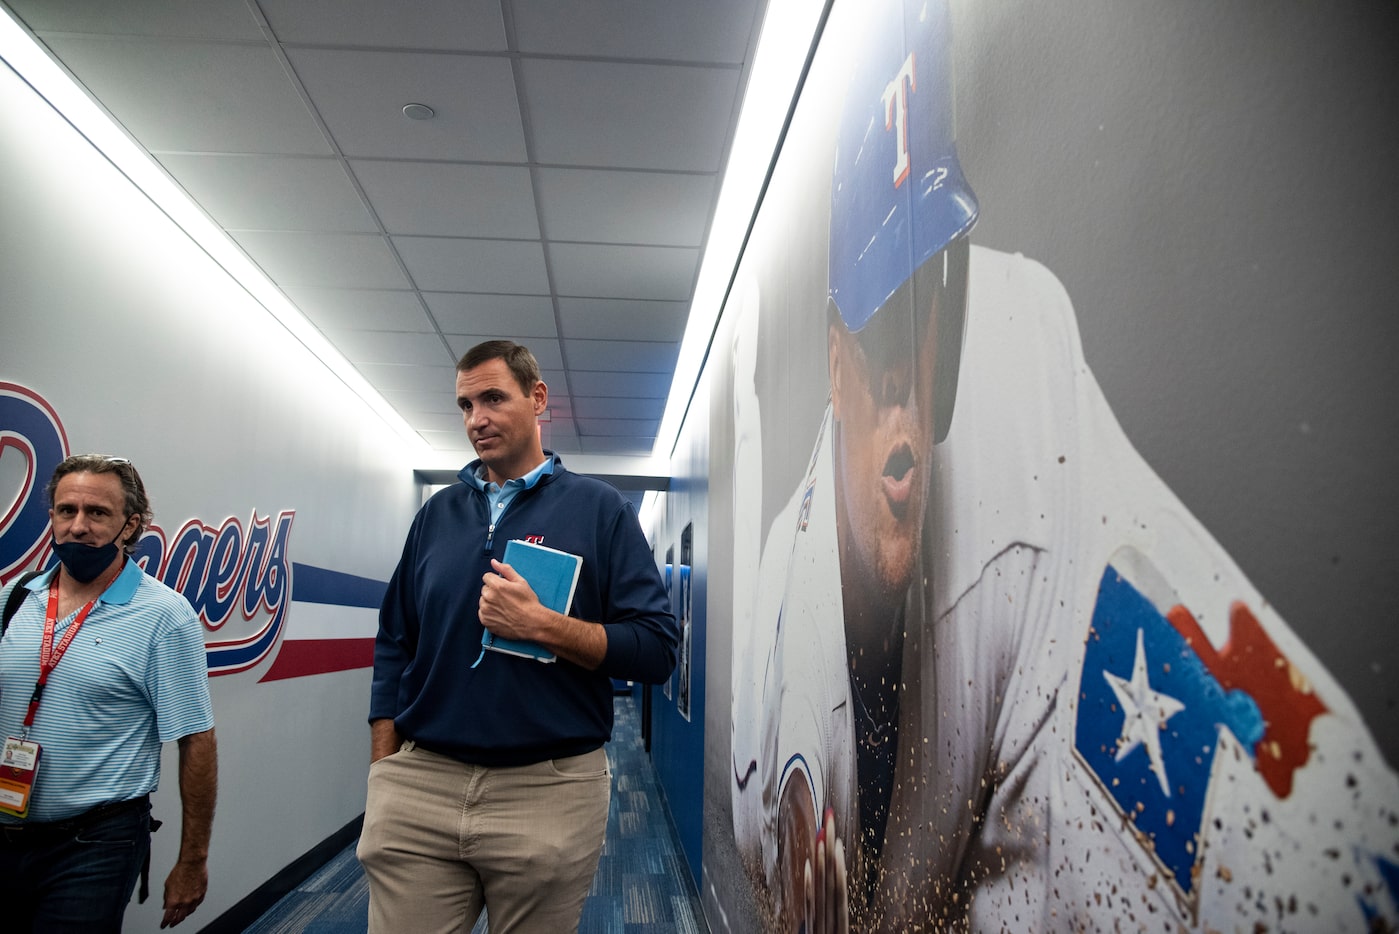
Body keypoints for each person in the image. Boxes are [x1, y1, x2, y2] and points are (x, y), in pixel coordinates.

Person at [729, 0, 1399, 930]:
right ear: (835, 363)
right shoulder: (782, 599)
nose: (905, 405)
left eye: (927, 315)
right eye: (879, 335)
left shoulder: (1021, 396)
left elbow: (1252, 802)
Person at [359, 340, 678, 933]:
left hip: (547, 790)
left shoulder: (600, 510)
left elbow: (657, 648)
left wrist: (543, 627)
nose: (476, 419)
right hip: (422, 782)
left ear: (537, 400)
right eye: (464, 405)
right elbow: (393, 642)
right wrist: (385, 771)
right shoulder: (437, 515)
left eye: (493, 398)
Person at [0, 454, 217, 931]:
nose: (78, 527)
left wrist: (192, 860)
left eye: (97, 513)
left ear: (130, 524)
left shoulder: (164, 616)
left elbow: (196, 740)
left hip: (95, 843)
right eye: (66, 510)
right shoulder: (15, 598)